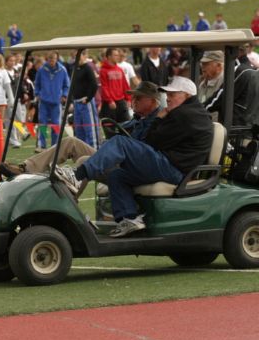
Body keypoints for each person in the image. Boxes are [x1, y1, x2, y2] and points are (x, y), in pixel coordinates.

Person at [56, 76, 213, 237]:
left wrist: (158, 119)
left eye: (172, 94)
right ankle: (129, 218)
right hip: (174, 166)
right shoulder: (191, 113)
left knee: (120, 143)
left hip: (174, 168)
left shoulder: (184, 114)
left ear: (186, 95)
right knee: (118, 176)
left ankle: (77, 176)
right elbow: (155, 141)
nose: (168, 98)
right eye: (168, 94)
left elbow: (152, 141)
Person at [3, 81, 163, 177]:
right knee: (70, 142)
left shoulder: (156, 122)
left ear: (153, 101)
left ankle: (66, 208)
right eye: (133, 97)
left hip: (130, 166)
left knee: (83, 162)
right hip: (114, 159)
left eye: (138, 98)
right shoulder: (136, 119)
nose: (133, 101)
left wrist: (119, 138)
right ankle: (27, 168)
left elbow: (141, 148)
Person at [34, 51, 69, 149]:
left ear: (57, 58)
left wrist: (64, 95)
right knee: (43, 123)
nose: (51, 61)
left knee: (56, 124)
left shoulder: (62, 70)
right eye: (50, 58)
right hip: (44, 101)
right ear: (47, 58)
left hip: (56, 102)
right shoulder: (41, 70)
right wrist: (37, 94)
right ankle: (42, 145)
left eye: (53, 58)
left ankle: (55, 145)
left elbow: (66, 85)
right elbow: (37, 83)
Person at [70, 50, 100, 149]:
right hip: (77, 103)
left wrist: (88, 98)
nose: (78, 58)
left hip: (86, 103)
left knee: (90, 129)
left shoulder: (88, 68)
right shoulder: (74, 68)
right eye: (76, 56)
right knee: (79, 131)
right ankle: (82, 154)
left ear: (85, 56)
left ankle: (95, 152)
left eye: (80, 55)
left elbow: (94, 85)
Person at [98, 48, 131, 127]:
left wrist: (128, 99)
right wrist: (110, 101)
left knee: (127, 126)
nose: (118, 57)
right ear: (109, 57)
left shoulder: (120, 69)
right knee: (110, 129)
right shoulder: (103, 70)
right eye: (115, 55)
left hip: (121, 102)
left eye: (118, 55)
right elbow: (104, 87)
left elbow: (125, 85)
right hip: (109, 104)